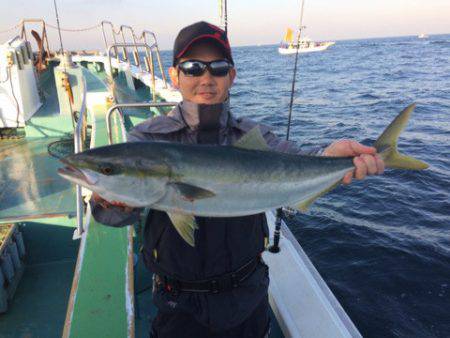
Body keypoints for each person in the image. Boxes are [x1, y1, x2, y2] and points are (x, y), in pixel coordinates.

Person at [91, 21, 384, 338]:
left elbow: (296, 158)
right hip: (178, 304)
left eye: (218, 67)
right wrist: (107, 201)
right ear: (174, 76)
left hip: (248, 296)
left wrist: (331, 157)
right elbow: (115, 212)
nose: (206, 77)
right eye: (192, 67)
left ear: (231, 76)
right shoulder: (146, 140)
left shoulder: (253, 135)